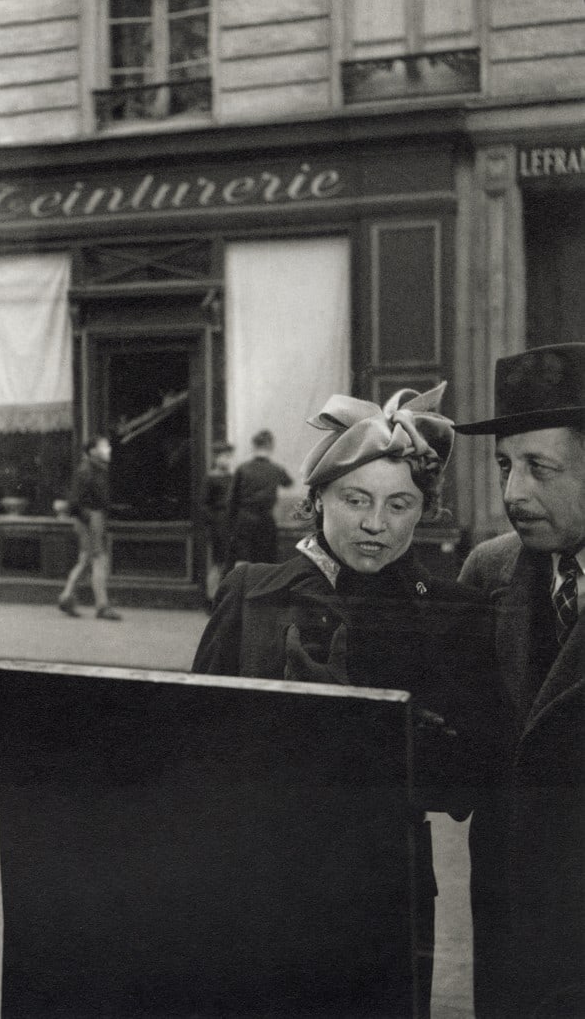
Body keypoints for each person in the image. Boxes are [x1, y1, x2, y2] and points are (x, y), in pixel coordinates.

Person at [194, 384, 505, 1019]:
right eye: (355, 500)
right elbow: (193, 750)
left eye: (400, 505)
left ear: (425, 512)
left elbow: (466, 786)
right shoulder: (251, 594)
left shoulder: (450, 612)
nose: (375, 524)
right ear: (316, 500)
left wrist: (392, 734)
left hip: (387, 881)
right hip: (257, 878)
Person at [455, 342, 585, 1018]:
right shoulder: (488, 572)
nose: (513, 494)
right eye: (505, 466)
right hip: (511, 913)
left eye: (540, 468)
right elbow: (459, 749)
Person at [58, 434, 121, 621]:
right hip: (91, 518)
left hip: (91, 518)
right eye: (104, 447)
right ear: (93, 451)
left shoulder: (95, 469)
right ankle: (102, 606)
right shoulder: (87, 470)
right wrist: (90, 520)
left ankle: (67, 597)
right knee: (99, 559)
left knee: (86, 559)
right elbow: (76, 501)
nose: (108, 450)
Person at [225, 429, 292, 566]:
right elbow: (288, 483)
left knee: (243, 562)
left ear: (253, 447)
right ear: (271, 447)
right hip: (266, 522)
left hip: (245, 521)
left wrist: (231, 524)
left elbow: (232, 499)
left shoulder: (242, 469)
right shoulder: (276, 469)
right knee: (266, 562)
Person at [202, 440, 236, 608]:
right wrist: (214, 522)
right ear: (216, 458)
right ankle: (211, 598)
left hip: (231, 524)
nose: (227, 460)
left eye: (229, 457)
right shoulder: (211, 478)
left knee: (228, 561)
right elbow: (205, 504)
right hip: (218, 524)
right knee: (218, 562)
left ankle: (224, 599)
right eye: (224, 457)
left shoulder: (232, 477)